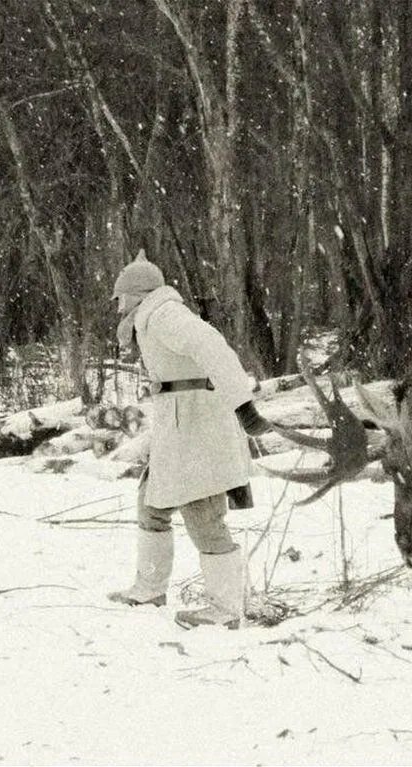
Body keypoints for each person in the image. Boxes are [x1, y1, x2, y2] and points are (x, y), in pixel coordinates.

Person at [106, 250, 272, 629]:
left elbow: (212, 346)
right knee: (152, 504)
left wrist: (243, 405)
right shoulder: (152, 315)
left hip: (197, 428)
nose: (118, 307)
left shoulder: (165, 314)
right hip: (179, 425)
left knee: (202, 515)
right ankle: (149, 588)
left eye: (121, 298)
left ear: (138, 293)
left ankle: (227, 609)